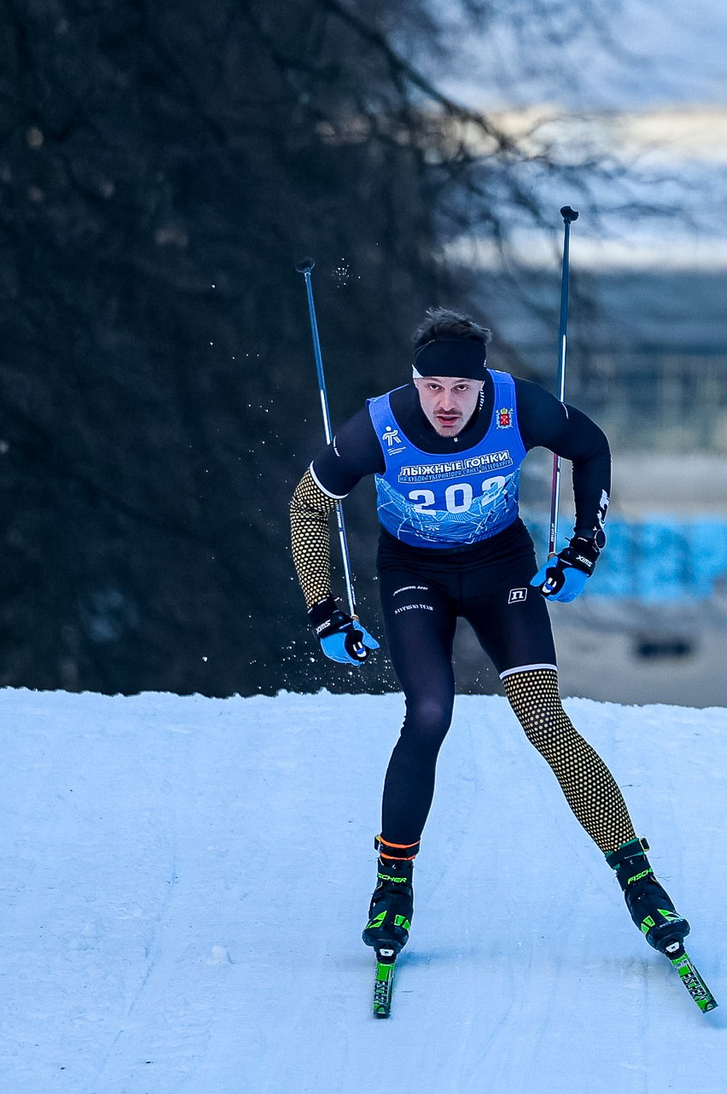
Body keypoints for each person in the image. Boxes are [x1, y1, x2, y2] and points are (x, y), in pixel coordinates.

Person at [288, 308, 691, 963]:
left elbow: (591, 447)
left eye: (461, 388)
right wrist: (324, 609)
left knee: (545, 721)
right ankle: (394, 882)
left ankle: (639, 880)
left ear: (483, 384)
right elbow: (309, 504)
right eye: (432, 387)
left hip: (501, 566)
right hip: (415, 573)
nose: (447, 403)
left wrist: (585, 545)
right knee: (429, 711)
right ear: (414, 381)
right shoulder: (379, 426)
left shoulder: (516, 405)